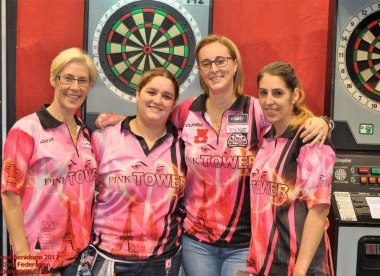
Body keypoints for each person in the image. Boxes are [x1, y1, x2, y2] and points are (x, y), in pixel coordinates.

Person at [95, 34, 331, 276]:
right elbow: (154, 116)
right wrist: (121, 120)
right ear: (199, 70)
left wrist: (323, 123)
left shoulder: (256, 109)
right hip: (196, 242)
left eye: (221, 61)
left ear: (234, 64)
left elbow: (289, 118)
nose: (214, 69)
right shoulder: (187, 111)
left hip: (244, 242)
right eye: (206, 63)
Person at [1, 47, 98, 275]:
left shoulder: (85, 132)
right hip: (39, 256)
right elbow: (9, 193)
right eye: (68, 78)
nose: (75, 87)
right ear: (54, 80)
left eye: (83, 81)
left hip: (80, 255)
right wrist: (23, 253)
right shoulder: (26, 129)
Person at [85, 68, 186, 276]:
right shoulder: (103, 138)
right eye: (151, 92)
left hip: (163, 261)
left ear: (173, 104)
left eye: (166, 96)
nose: (158, 100)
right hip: (108, 257)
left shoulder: (184, 144)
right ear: (138, 93)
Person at [246, 62, 335, 276]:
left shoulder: (309, 140)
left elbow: (319, 210)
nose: (269, 101)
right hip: (266, 264)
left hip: (300, 266)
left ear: (294, 95)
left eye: (278, 93)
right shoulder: (267, 137)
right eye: (263, 93)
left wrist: (300, 270)